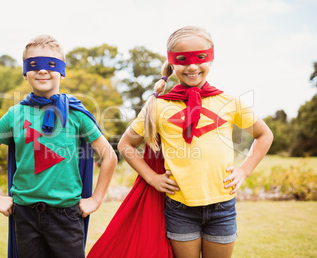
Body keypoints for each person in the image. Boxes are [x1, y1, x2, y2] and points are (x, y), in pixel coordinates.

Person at [116, 26, 273, 258]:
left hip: (223, 206)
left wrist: (244, 171)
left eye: (200, 57)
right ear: (172, 63)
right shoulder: (158, 106)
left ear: (211, 58)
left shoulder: (228, 101)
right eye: (182, 59)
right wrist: (151, 177)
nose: (191, 66)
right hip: (180, 208)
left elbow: (264, 135)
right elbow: (125, 145)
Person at [0, 35, 117, 258]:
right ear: (25, 71)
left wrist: (96, 199)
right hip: (25, 214)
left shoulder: (77, 114)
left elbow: (109, 156)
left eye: (51, 64)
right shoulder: (15, 114)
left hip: (67, 215)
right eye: (34, 64)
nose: (42, 71)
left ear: (62, 71)